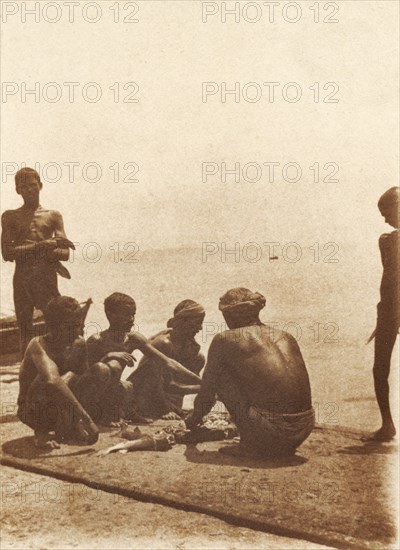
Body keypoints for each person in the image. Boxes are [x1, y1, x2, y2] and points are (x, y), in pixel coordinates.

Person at [185, 288, 314, 457]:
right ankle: (265, 439)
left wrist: (193, 422)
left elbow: (207, 393)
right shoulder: (286, 336)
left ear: (231, 314)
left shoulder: (225, 339)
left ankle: (250, 444)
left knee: (220, 375)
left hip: (272, 433)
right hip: (304, 428)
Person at [72, 293, 201, 425]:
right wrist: (107, 356)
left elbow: (167, 362)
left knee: (143, 372)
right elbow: (84, 375)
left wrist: (202, 381)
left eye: (133, 314)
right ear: (110, 315)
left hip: (111, 395)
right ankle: (105, 417)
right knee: (111, 366)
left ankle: (122, 413)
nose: (131, 319)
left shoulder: (133, 339)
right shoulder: (96, 340)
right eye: (126, 315)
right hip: (89, 400)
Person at [1, 167, 74, 354]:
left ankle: (54, 374)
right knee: (25, 332)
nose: (29, 190)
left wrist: (43, 248)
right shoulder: (9, 217)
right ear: (18, 190)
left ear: (40, 186)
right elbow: (7, 253)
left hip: (46, 279)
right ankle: (26, 378)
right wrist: (42, 246)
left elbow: (64, 252)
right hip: (23, 280)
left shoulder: (53, 215)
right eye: (23, 187)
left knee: (56, 328)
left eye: (33, 185)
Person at [17, 296, 99, 449]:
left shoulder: (79, 343)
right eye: (70, 328)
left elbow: (84, 381)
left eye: (79, 326)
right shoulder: (38, 345)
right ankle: (41, 433)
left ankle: (70, 426)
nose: (77, 332)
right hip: (31, 410)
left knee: (93, 372)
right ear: (53, 327)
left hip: (60, 407)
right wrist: (88, 420)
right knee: (47, 377)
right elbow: (52, 381)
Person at [127, 300, 205, 420]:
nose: (200, 328)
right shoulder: (163, 343)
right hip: (146, 399)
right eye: (197, 323)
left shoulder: (194, 352)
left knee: (200, 359)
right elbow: (164, 384)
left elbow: (186, 385)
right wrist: (207, 387)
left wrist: (208, 389)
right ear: (182, 321)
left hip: (173, 406)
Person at [366, 187, 399, 442]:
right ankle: (387, 425)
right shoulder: (386, 241)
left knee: (381, 369)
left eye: (386, 213)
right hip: (388, 311)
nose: (385, 219)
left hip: (391, 311)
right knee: (380, 369)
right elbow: (389, 280)